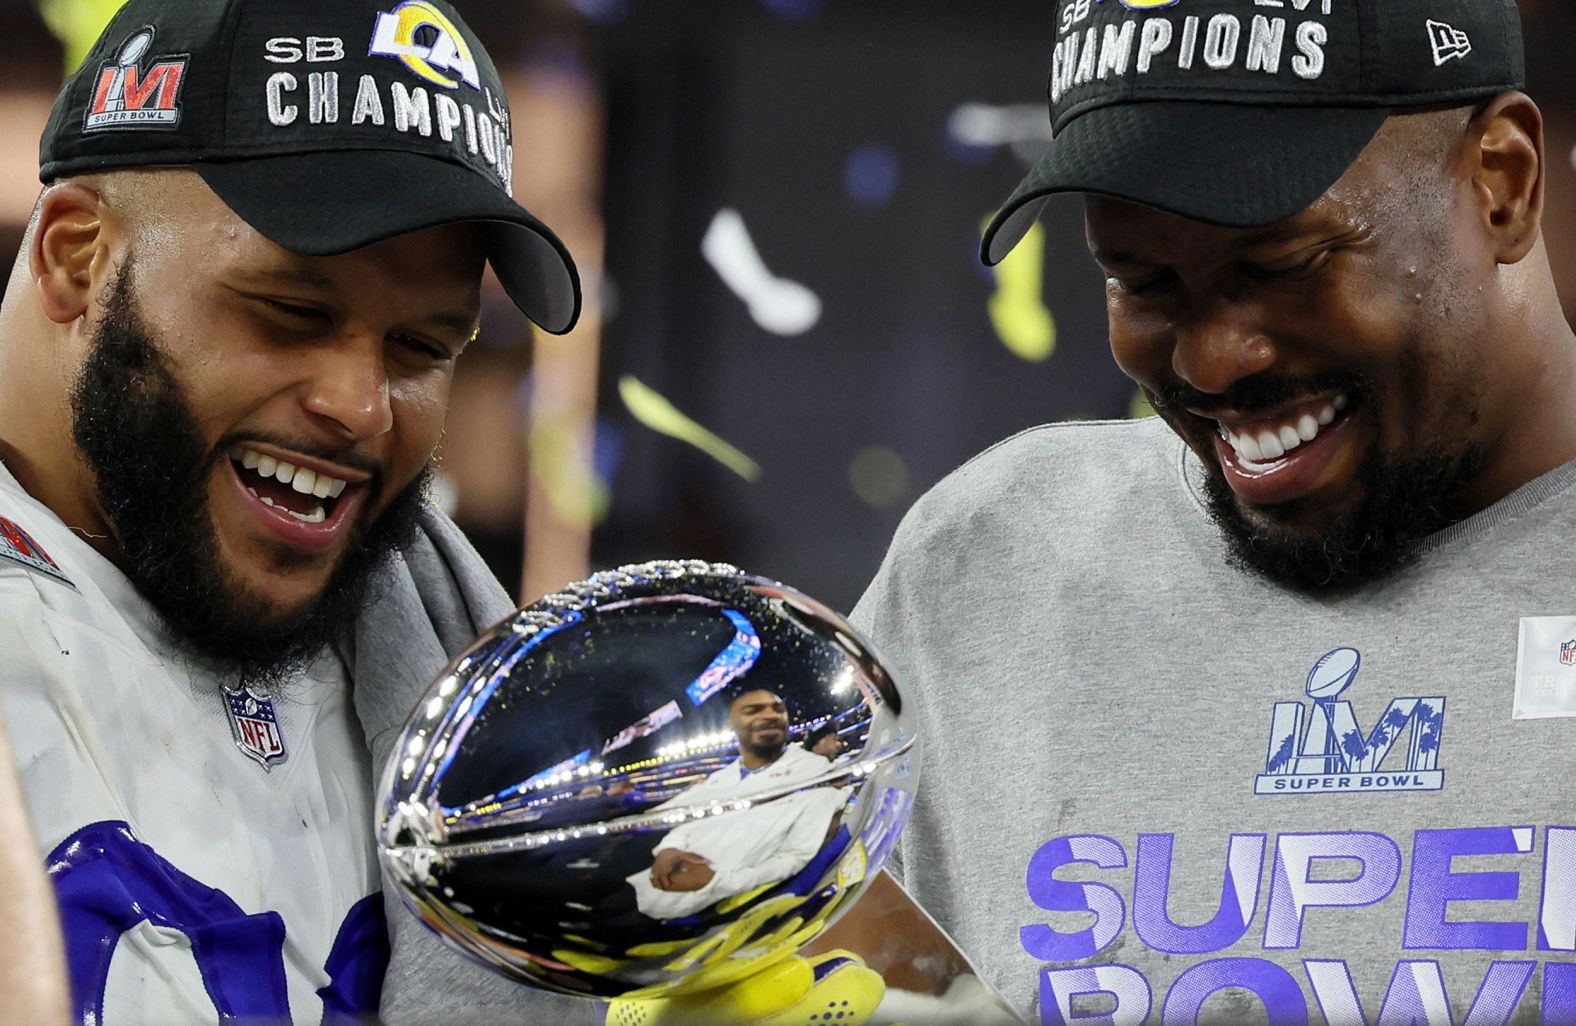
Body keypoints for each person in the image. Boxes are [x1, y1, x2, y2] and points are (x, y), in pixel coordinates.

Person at [853, 0, 1576, 1022]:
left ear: (1500, 184)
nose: (1208, 361)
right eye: (1141, 281)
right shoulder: (991, 564)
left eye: (1281, 265)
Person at [0, 1, 599, 1023]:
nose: (359, 407)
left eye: (422, 350)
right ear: (76, 257)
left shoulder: (454, 691)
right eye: (293, 314)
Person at [629, 687, 847, 920]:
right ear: (730, 725)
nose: (770, 715)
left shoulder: (817, 775)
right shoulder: (720, 778)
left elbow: (794, 857)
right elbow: (690, 823)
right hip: (651, 881)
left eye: (778, 709)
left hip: (701, 910)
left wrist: (718, 882)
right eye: (753, 710)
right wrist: (668, 848)